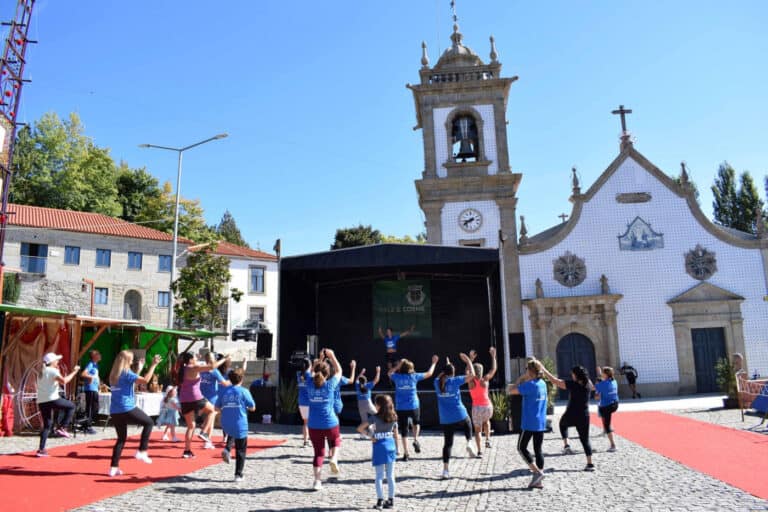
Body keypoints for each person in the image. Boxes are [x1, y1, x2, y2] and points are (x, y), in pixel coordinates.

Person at [107, 351, 162, 476]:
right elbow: (145, 380)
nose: (132, 362)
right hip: (126, 407)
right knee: (148, 423)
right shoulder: (126, 373)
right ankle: (142, 451)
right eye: (131, 360)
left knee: (121, 439)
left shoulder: (114, 373)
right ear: (127, 361)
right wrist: (153, 364)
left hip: (115, 410)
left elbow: (131, 381)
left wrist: (139, 369)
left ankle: (113, 468)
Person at [540, 363, 595, 471]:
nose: (572, 376)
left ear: (576, 375)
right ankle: (590, 464)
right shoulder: (588, 383)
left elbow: (555, 381)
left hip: (572, 413)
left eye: (573, 374)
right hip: (584, 414)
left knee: (562, 424)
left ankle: (567, 445)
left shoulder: (573, 384)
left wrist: (544, 370)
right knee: (585, 439)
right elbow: (592, 387)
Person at [178, 351, 229, 458]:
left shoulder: (183, 369)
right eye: (195, 357)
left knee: (191, 426)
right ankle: (203, 432)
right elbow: (212, 366)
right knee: (213, 411)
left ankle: (187, 451)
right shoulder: (194, 367)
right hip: (195, 398)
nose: (197, 358)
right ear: (191, 359)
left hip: (184, 399)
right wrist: (224, 359)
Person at [388, 355, 438, 461]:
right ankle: (415, 439)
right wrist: (434, 363)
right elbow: (429, 373)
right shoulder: (414, 376)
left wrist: (398, 365)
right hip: (413, 405)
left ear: (401, 368)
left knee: (404, 431)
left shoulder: (397, 377)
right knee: (416, 423)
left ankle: (406, 453)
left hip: (401, 407)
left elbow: (389, 373)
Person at [508, 358, 548, 489]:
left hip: (530, 422)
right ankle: (538, 481)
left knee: (521, 447)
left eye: (527, 369)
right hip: (541, 422)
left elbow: (511, 390)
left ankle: (537, 472)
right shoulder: (542, 383)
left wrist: (521, 378)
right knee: (538, 450)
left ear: (530, 371)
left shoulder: (530, 385)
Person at [435, 353, 476, 479]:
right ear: (453, 373)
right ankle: (469, 441)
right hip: (459, 413)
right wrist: (468, 361)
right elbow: (473, 375)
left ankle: (446, 471)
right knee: (468, 422)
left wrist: (446, 367)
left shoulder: (436, 382)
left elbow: (440, 376)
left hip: (446, 418)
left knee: (448, 444)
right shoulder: (455, 380)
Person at [307, 348, 343, 491]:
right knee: (335, 440)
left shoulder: (309, 383)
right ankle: (334, 458)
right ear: (328, 374)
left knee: (318, 452)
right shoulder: (329, 385)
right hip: (330, 422)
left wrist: (320, 359)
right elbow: (339, 371)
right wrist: (332, 356)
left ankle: (317, 481)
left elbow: (311, 371)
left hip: (313, 425)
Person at [357, 394, 398, 510]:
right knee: (390, 476)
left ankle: (380, 500)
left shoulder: (374, 418)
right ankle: (391, 500)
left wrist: (370, 436)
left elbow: (360, 428)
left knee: (379, 476)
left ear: (378, 406)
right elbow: (396, 434)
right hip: (390, 446)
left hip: (379, 446)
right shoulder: (394, 416)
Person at [36, 352, 80, 457]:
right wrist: (74, 372)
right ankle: (62, 427)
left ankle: (41, 449)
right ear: (51, 362)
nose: (58, 361)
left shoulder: (42, 371)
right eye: (56, 360)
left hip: (42, 401)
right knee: (71, 406)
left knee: (47, 425)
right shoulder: (52, 371)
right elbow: (64, 381)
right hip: (52, 399)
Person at [216, 368, 256, 482]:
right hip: (240, 423)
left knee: (232, 431)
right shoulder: (244, 391)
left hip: (226, 423)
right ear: (242, 379)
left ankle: (227, 449)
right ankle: (238, 474)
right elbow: (253, 407)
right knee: (241, 450)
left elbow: (216, 407)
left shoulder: (224, 391)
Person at [467, 347, 497, 456]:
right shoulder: (485, 379)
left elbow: (467, 371)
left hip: (477, 408)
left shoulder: (471, 382)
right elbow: (493, 369)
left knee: (478, 431)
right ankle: (488, 438)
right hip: (488, 407)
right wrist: (493, 356)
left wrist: (470, 359)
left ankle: (479, 451)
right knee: (487, 421)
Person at [199, 352, 231, 445]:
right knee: (212, 416)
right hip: (212, 396)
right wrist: (234, 380)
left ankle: (207, 436)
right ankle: (206, 436)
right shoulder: (214, 371)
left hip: (201, 396)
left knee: (210, 416)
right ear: (213, 360)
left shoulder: (202, 369)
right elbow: (224, 383)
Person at [595, 366, 619, 452]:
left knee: (607, 426)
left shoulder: (601, 384)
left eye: (603, 373)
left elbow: (596, 394)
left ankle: (613, 445)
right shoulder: (614, 381)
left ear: (605, 374)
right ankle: (607, 428)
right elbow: (603, 382)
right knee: (604, 415)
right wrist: (599, 374)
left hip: (607, 406)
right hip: (615, 404)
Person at [80, 350, 101, 434]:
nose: (100, 355)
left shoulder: (95, 365)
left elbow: (96, 376)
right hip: (90, 388)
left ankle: (86, 424)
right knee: (92, 408)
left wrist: (99, 384)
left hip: (94, 388)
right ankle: (87, 426)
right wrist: (90, 378)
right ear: (94, 356)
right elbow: (83, 374)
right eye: (98, 354)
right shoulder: (90, 364)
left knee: (94, 408)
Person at [356, 366, 381, 436]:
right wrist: (378, 371)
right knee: (378, 416)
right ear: (365, 381)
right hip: (368, 403)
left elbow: (357, 379)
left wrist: (361, 373)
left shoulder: (357, 385)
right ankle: (373, 428)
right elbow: (376, 380)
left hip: (360, 404)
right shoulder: (367, 385)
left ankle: (363, 434)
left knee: (364, 420)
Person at [297, 358, 312, 447]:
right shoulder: (309, 375)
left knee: (305, 422)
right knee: (308, 423)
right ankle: (306, 441)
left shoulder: (299, 374)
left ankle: (306, 440)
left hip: (301, 401)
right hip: (309, 402)